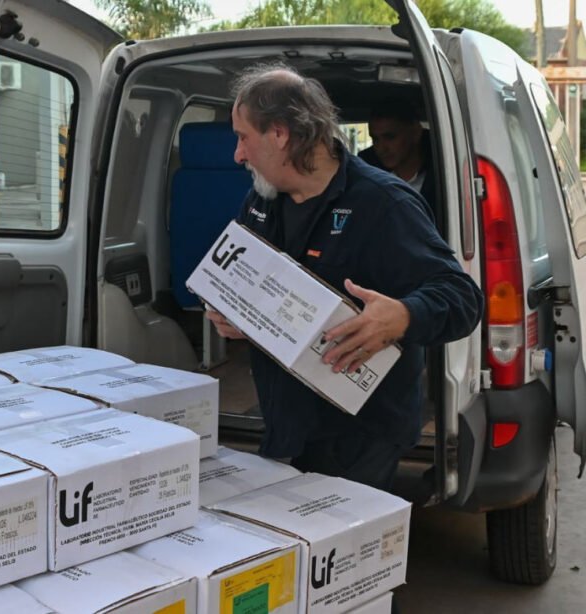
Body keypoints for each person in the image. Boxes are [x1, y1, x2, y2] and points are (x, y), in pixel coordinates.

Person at [205, 64, 483, 491]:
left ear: (279, 134)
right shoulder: (261, 201)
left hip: (360, 432)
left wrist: (403, 316)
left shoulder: (384, 204)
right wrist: (234, 311)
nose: (238, 155)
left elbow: (462, 297)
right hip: (287, 417)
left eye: (243, 138)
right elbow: (245, 279)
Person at [358, 98, 436, 213]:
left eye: (390, 137)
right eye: (375, 139)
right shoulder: (365, 177)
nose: (381, 148)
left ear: (416, 132)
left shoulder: (443, 174)